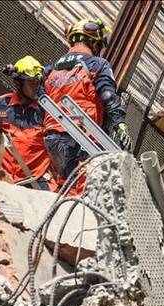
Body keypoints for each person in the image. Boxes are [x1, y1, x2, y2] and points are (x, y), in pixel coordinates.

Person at [41, 18, 131, 189]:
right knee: (85, 188)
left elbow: (41, 103)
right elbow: (108, 95)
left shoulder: (51, 69)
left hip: (52, 137)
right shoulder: (97, 64)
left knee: (64, 185)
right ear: (93, 42)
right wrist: (120, 124)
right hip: (81, 137)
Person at [0, 56, 58, 191]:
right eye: (31, 83)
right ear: (18, 83)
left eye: (38, 82)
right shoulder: (1, 104)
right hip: (1, 175)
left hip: (34, 180)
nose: (36, 87)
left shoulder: (47, 111)